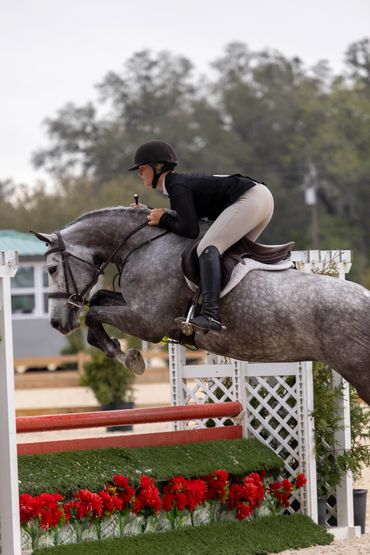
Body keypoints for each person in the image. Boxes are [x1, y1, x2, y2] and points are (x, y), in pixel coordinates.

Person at [129, 140, 274, 333]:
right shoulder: (178, 185)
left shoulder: (177, 187)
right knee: (230, 256)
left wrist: (163, 218)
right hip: (261, 199)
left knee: (207, 249)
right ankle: (235, 308)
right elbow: (182, 221)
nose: (139, 174)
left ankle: (211, 315)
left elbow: (190, 230)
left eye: (141, 169)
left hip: (250, 199)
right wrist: (150, 212)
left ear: (158, 167)